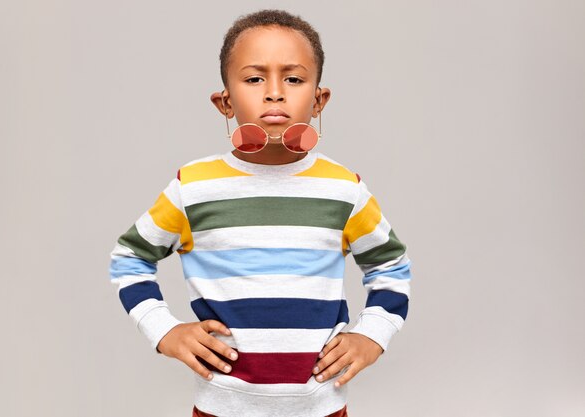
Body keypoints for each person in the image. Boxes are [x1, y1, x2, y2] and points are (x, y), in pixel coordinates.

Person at [109, 9, 412, 417]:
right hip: (220, 408)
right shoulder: (193, 187)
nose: (274, 92)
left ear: (319, 99)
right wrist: (164, 330)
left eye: (293, 78)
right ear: (225, 102)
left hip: (321, 408)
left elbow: (391, 268)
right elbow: (130, 258)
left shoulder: (344, 189)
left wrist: (371, 336)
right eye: (254, 78)